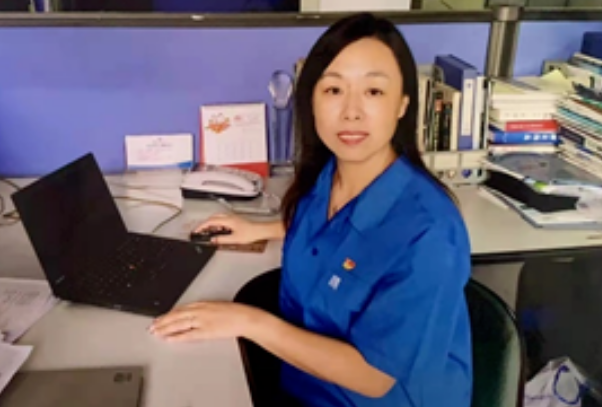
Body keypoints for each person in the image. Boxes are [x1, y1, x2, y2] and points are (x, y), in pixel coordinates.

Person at [149, 12, 473, 407]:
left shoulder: (430, 232)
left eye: (374, 92)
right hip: (302, 385)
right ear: (312, 101)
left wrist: (248, 321)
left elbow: (373, 378)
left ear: (402, 104)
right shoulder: (328, 176)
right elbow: (338, 235)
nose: (351, 111)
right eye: (334, 90)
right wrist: (264, 229)